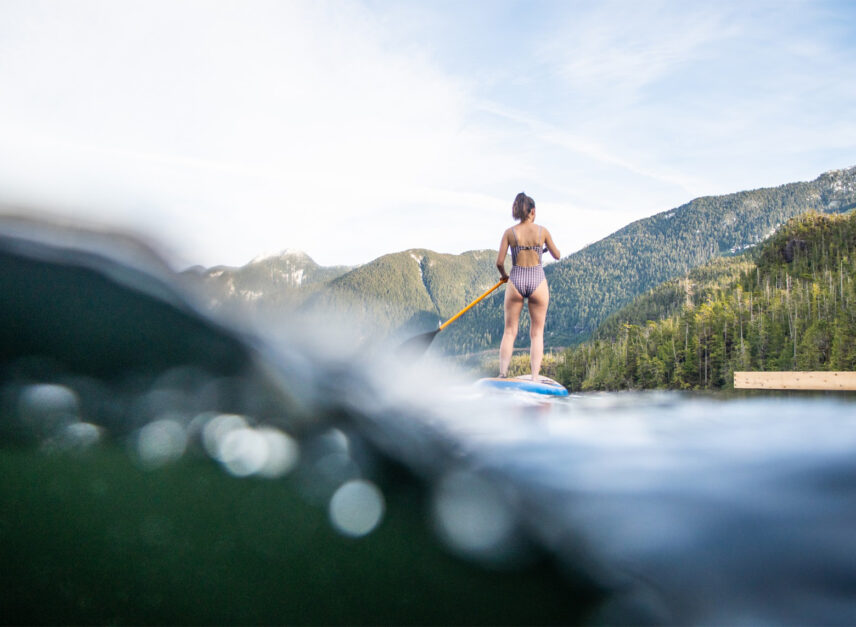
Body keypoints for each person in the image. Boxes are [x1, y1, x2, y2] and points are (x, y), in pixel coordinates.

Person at [495, 192, 560, 380]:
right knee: (537, 333)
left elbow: (499, 262)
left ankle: (502, 374)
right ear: (533, 211)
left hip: (516, 280)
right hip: (537, 280)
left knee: (509, 331)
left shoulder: (509, 232)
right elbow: (557, 255)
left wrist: (505, 276)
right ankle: (534, 378)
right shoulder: (542, 231)